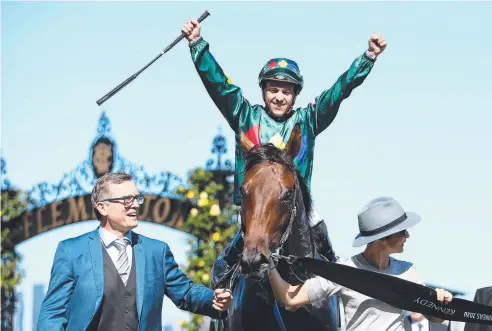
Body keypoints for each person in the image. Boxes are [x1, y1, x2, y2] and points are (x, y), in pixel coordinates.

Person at [181, 18, 387, 286]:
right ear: (264, 91)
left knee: (334, 269)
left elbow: (339, 91)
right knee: (221, 270)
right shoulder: (245, 115)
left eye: (286, 92)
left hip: (299, 209)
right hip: (256, 214)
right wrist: (197, 45)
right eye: (273, 90)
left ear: (295, 95)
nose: (279, 97)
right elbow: (219, 86)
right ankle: (220, 318)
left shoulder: (309, 120)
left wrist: (368, 57)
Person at [37, 172, 233, 331]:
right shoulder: (71, 251)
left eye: (137, 198)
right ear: (102, 207)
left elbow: (186, 292)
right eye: (126, 199)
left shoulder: (156, 251)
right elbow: (53, 314)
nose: (136, 205)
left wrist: (212, 299)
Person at [266, 196, 454, 331]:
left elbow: (435, 318)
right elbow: (290, 299)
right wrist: (268, 262)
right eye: (401, 232)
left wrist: (440, 301)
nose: (407, 236)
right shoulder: (344, 272)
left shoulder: (407, 271)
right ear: (381, 239)